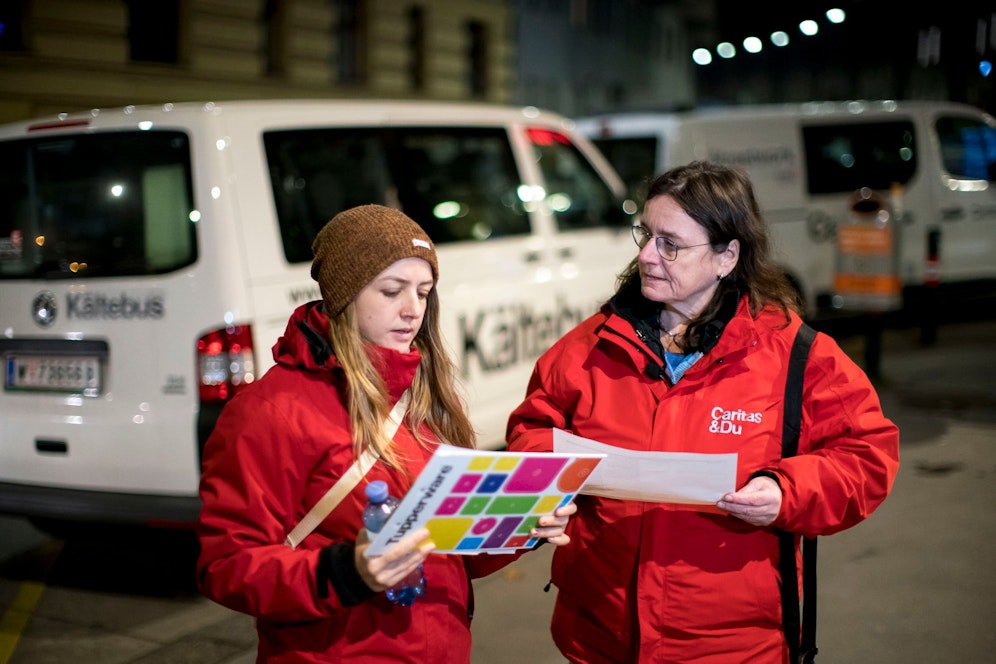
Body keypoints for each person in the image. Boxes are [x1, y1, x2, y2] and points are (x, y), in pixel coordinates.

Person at [506, 162, 900, 663]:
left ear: (726, 256)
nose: (648, 255)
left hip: (731, 646)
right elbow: (531, 433)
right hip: (600, 638)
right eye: (646, 235)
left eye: (670, 243)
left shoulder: (796, 356)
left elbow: (867, 455)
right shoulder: (588, 348)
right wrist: (551, 481)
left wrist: (787, 491)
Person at [197, 204, 576, 662]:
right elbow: (226, 565)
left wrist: (518, 526)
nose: (412, 310)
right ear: (344, 295)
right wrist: (346, 572)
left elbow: (452, 554)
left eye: (423, 291)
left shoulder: (424, 394)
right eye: (391, 290)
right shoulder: (271, 410)